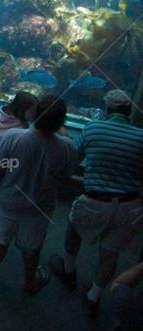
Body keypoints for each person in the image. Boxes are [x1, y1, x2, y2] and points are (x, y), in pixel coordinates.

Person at [48, 89, 143, 317]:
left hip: (94, 200)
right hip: (129, 206)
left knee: (73, 230)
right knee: (110, 255)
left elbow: (73, 161)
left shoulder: (93, 128)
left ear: (108, 110)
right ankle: (94, 296)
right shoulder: (141, 137)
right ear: (128, 111)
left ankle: (69, 270)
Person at [0, 94, 76, 294]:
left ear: (37, 114)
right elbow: (65, 176)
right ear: (62, 120)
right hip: (39, 207)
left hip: (6, 201)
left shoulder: (13, 137)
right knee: (32, 247)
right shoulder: (66, 146)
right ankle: (29, 282)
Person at [0, 92, 37, 157]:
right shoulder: (17, 130)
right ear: (23, 109)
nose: (35, 114)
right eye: (33, 111)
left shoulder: (3, 117)